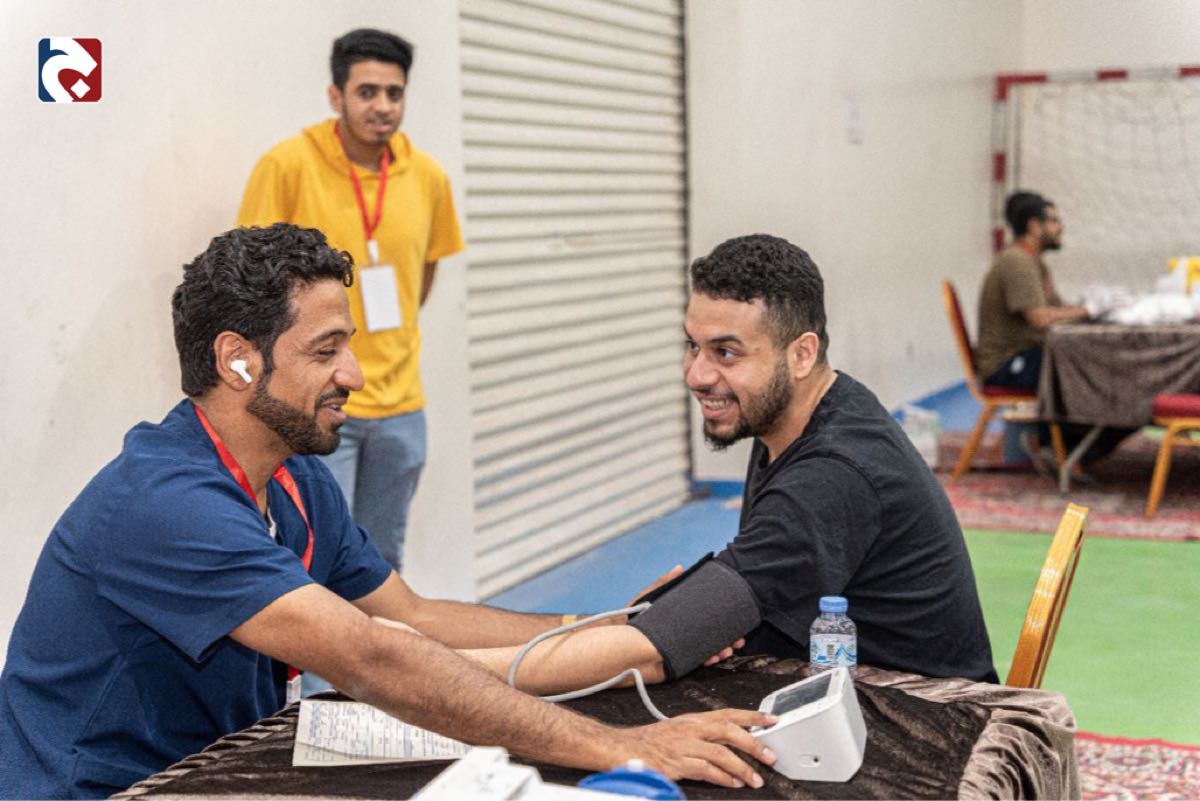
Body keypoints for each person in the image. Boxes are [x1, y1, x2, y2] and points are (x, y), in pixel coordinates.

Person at [0, 225, 774, 800]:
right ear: (238, 359)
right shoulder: (167, 503)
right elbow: (372, 656)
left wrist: (614, 625)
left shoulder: (297, 477)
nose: (356, 374)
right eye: (325, 350)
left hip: (213, 767)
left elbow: (415, 615)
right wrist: (621, 747)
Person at [463, 235, 998, 689]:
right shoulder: (805, 411)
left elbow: (650, 652)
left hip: (930, 715)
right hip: (850, 684)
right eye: (692, 346)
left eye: (726, 353)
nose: (696, 375)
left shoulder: (832, 474)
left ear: (802, 354)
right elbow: (669, 628)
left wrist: (443, 679)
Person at [237, 28, 462, 571]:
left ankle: (374, 635)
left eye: (394, 93)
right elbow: (253, 279)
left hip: (402, 403)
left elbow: (424, 273)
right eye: (367, 92)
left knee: (382, 560)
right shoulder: (288, 166)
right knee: (313, 560)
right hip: (314, 399)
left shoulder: (428, 177)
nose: (382, 106)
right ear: (335, 95)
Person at [975, 191, 1089, 390]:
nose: (1060, 228)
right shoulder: (1017, 262)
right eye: (1054, 221)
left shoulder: (1034, 263)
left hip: (1025, 355)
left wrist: (1090, 308)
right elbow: (1041, 319)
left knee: (1088, 357)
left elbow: (1058, 309)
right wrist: (1089, 310)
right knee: (1088, 367)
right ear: (1035, 226)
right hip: (1006, 366)